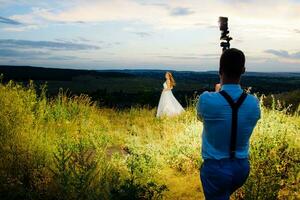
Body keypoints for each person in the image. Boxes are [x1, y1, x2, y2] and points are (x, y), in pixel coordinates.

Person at [197, 48, 261, 200]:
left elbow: (200, 117)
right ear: (243, 70)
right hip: (242, 168)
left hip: (216, 169)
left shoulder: (206, 99)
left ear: (220, 70)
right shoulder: (253, 103)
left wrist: (218, 93)